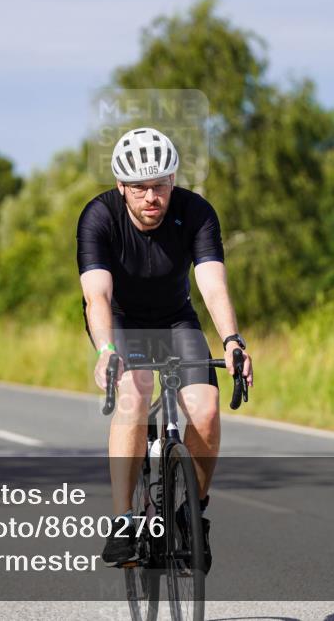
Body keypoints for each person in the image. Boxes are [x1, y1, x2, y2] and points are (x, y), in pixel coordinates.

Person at [77, 127, 254, 569]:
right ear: (121, 187)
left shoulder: (196, 212)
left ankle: (190, 514)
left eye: (159, 185)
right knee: (134, 396)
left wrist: (232, 339)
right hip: (123, 322)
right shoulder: (98, 216)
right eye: (139, 188)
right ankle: (123, 523)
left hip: (177, 319)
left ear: (173, 180)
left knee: (207, 410)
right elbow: (96, 295)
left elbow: (212, 284)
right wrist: (105, 351)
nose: (150, 197)